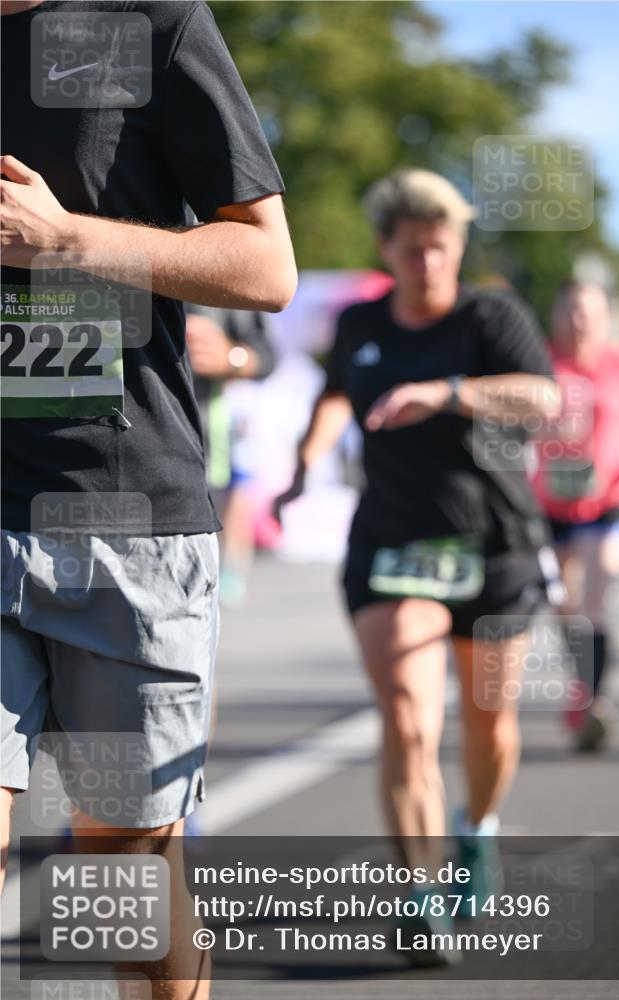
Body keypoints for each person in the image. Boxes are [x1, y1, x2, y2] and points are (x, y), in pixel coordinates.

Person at [0, 2, 296, 998]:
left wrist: (68, 238)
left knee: (130, 887)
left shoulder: (153, 23)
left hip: (122, 521)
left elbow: (265, 265)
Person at [275, 168, 561, 965]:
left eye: (440, 248)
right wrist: (307, 458)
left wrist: (445, 392)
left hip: (493, 547)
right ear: (386, 251)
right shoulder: (361, 319)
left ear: (457, 245)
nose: (429, 263)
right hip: (394, 546)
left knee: (487, 720)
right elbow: (337, 393)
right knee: (406, 714)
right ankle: (420, 893)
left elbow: (540, 398)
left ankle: (479, 830)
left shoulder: (490, 313)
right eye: (412, 250)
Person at [530, 281, 619, 751]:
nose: (580, 320)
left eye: (589, 311)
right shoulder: (540, 361)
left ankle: (592, 700)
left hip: (612, 498)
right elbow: (511, 419)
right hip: (552, 505)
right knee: (564, 604)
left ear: (605, 316)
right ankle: (583, 686)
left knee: (597, 592)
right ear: (556, 315)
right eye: (571, 310)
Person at [186, 306, 275, 607]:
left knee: (236, 493)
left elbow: (266, 356)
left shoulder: (227, 284)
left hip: (221, 416)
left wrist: (230, 357)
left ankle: (230, 571)